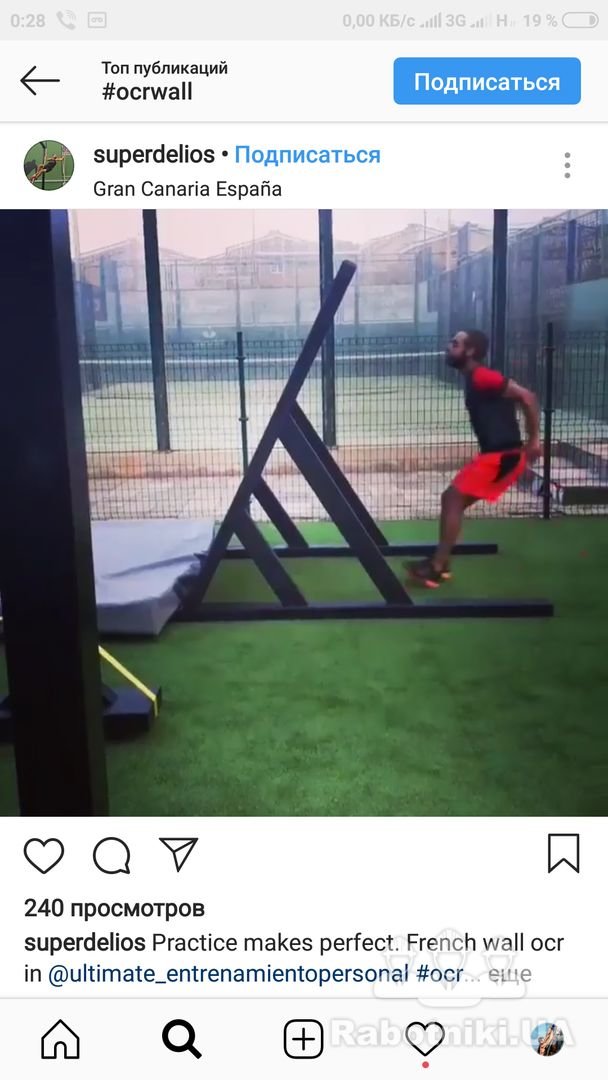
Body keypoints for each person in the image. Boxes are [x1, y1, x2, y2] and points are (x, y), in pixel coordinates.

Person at [408, 329, 541, 588]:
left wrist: (534, 440)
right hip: (495, 455)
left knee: (452, 498)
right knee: (452, 500)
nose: (449, 347)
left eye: (455, 344)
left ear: (469, 351)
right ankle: (440, 563)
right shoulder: (475, 378)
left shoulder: (482, 376)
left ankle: (437, 567)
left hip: (504, 456)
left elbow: (527, 397)